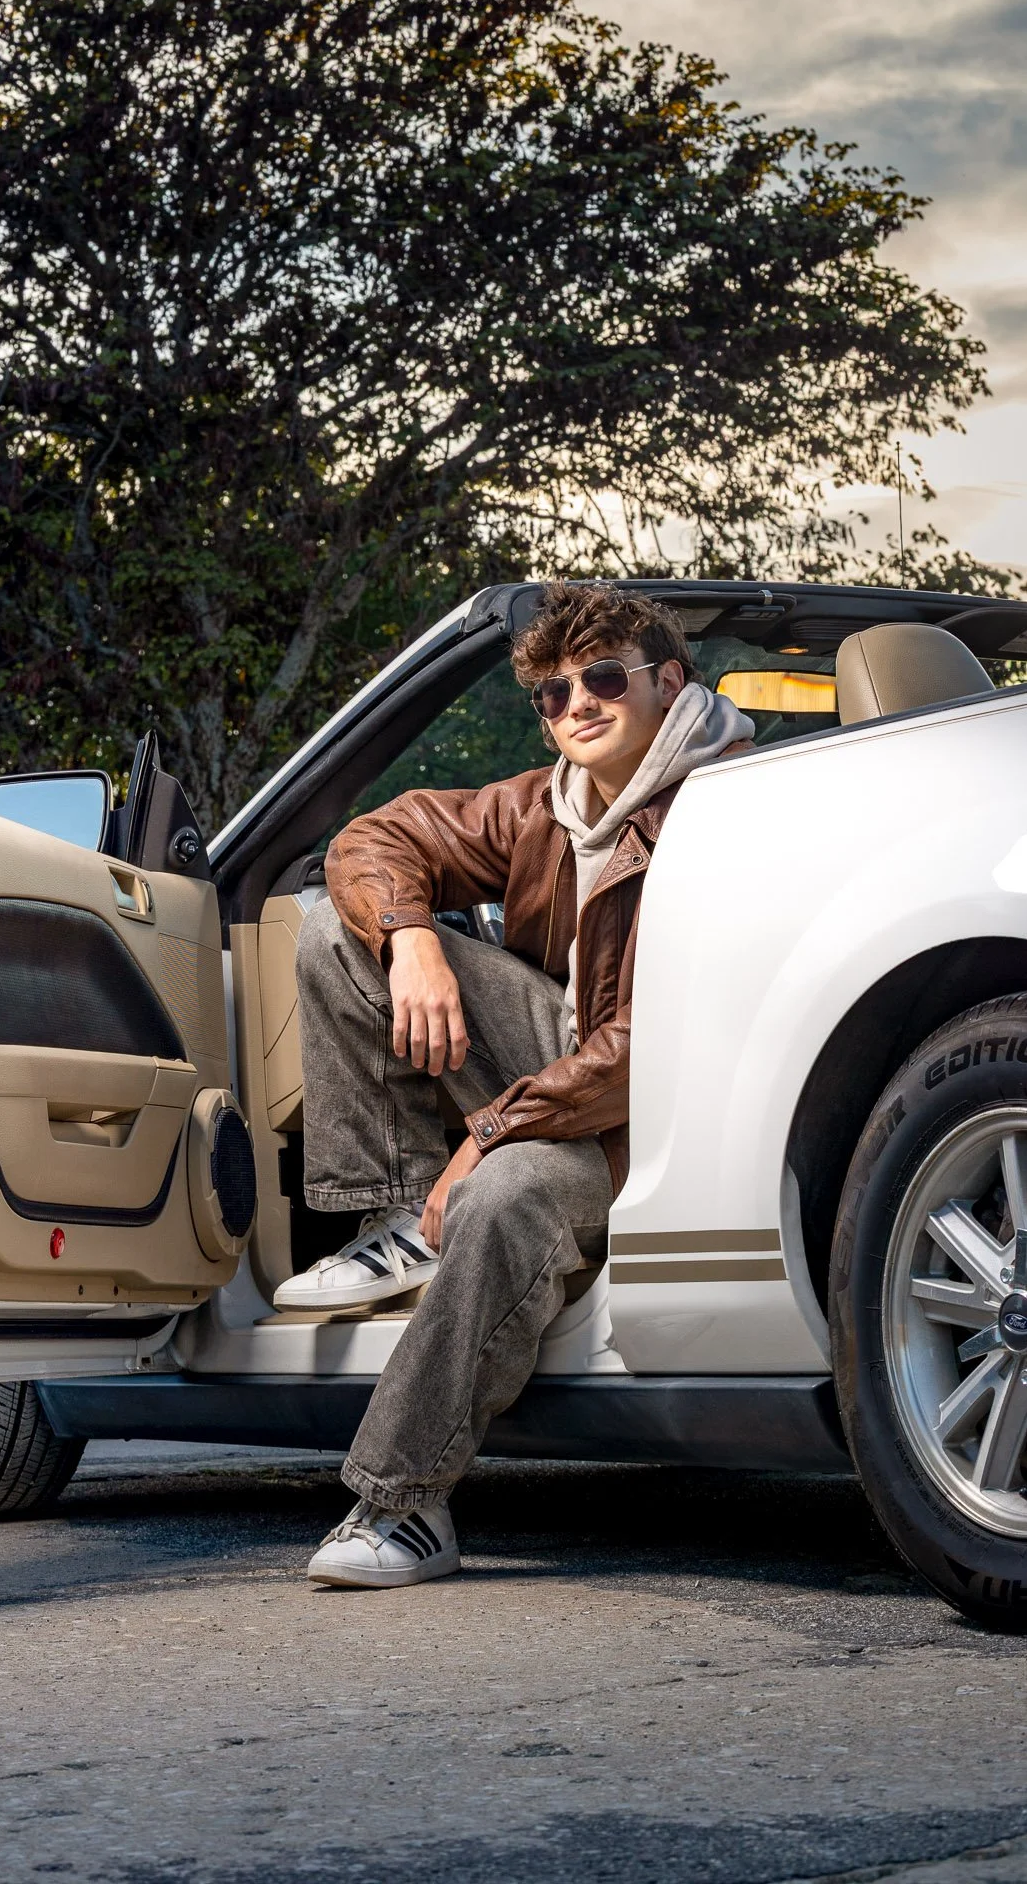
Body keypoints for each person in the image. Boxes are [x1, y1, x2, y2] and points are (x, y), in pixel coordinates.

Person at [275, 582, 753, 1588]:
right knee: (337, 925)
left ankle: (400, 1505)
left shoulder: (729, 811)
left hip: (658, 1122)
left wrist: (487, 1135)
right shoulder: (550, 805)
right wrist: (413, 937)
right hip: (561, 1073)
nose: (576, 703)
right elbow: (370, 840)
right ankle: (402, 1215)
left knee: (501, 1194)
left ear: (670, 682)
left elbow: (654, 1039)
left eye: (604, 678)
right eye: (552, 690)